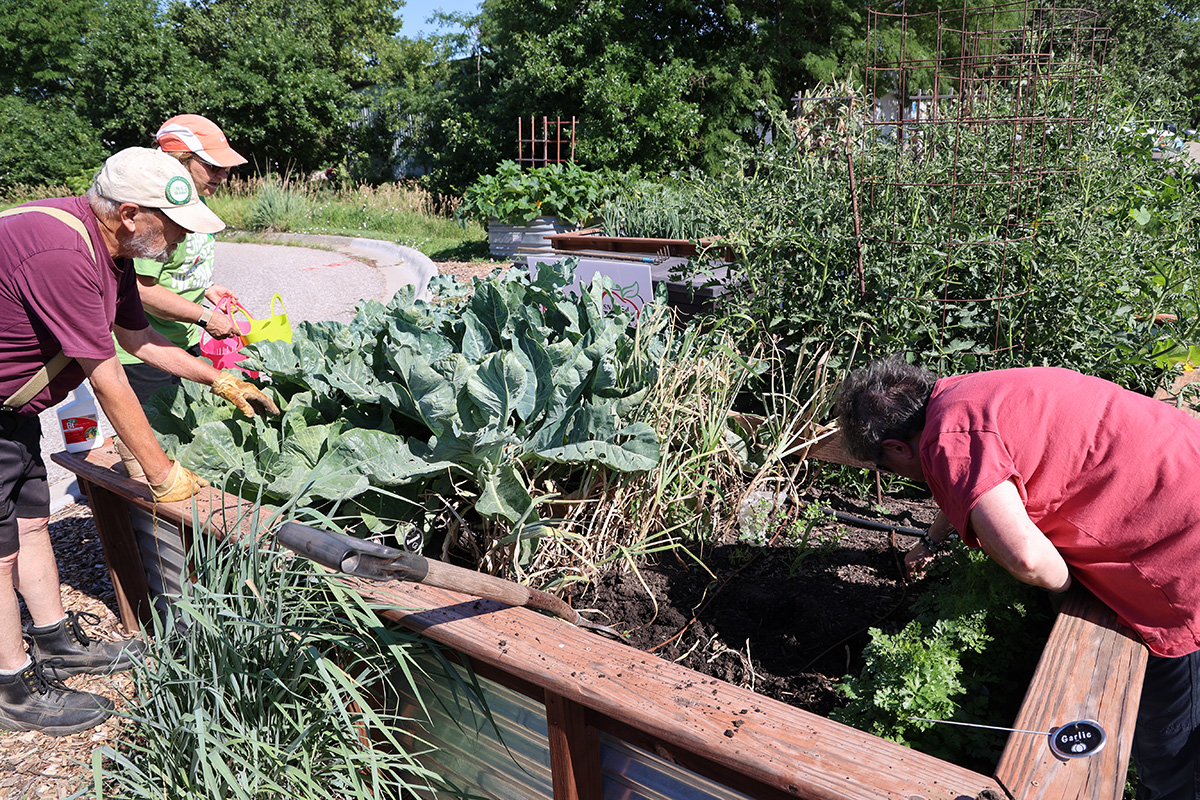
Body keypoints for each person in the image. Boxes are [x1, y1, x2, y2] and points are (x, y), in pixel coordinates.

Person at [0, 146, 279, 735]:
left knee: (29, 520)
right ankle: (12, 687)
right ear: (130, 214)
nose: (178, 240)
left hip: (11, 414)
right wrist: (163, 475)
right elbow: (109, 378)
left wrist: (218, 377)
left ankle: (54, 643)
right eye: (172, 228)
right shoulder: (63, 254)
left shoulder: (112, 252)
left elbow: (140, 337)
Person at [836, 356, 1200, 800]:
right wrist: (931, 540)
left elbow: (1027, 558)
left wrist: (1073, 593)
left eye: (887, 467)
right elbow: (978, 472)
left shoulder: (945, 440)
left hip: (1179, 552)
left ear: (895, 448)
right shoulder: (964, 394)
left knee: (1168, 743)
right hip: (1183, 463)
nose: (895, 475)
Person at [115, 114, 247, 405]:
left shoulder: (197, 202)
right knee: (156, 441)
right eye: (213, 166)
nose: (223, 174)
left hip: (185, 341)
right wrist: (205, 317)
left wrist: (207, 287)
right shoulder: (158, 213)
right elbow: (140, 288)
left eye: (225, 167)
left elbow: (177, 266)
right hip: (144, 349)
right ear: (178, 162)